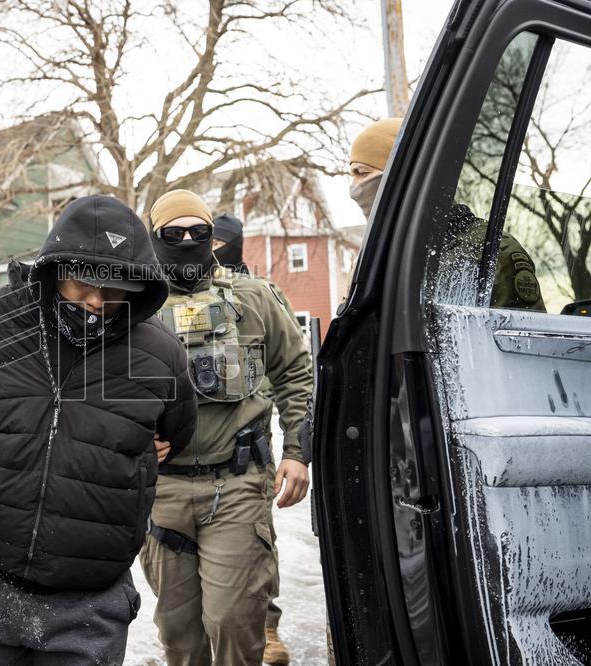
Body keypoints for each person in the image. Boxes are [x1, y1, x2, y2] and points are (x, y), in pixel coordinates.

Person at [0, 194, 198, 665]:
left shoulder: (161, 352)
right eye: (82, 283)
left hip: (89, 600)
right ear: (54, 268)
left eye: (115, 291)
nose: (96, 301)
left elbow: (178, 431)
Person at [141, 189, 314, 665]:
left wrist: (298, 451)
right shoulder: (131, 306)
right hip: (162, 493)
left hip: (236, 484)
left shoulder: (253, 297)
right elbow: (95, 389)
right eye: (172, 234)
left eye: (199, 233)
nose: (187, 240)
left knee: (235, 622)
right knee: (179, 635)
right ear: (153, 237)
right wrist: (131, 439)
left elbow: (297, 372)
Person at [349, 117, 545, 311]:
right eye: (352, 175)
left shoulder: (490, 249)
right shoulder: (376, 259)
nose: (354, 187)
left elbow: (518, 339)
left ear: (402, 174)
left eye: (362, 173)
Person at [212, 210, 294, 664]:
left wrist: (296, 444)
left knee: (258, 538)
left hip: (251, 439)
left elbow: (291, 366)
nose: (210, 251)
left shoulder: (262, 294)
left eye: (218, 243)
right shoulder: (185, 292)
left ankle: (267, 624)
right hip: (196, 442)